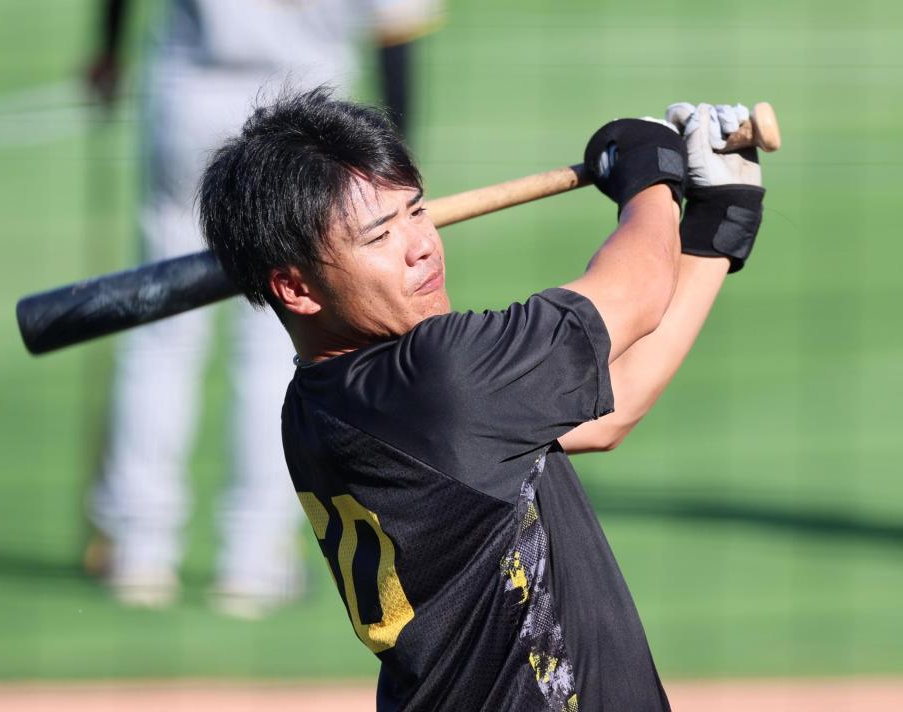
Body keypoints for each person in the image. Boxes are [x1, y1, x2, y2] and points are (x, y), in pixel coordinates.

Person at [199, 89, 765, 709]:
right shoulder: (439, 378)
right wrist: (647, 165)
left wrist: (714, 229)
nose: (422, 245)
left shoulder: (320, 405)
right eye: (379, 236)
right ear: (295, 288)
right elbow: (637, 290)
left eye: (416, 212)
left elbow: (612, 410)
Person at [84, 0, 441, 616]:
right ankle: (253, 559)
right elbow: (395, 28)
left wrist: (110, 49)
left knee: (162, 330)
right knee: (277, 337)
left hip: (190, 93)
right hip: (305, 122)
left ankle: (140, 549)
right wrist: (395, 178)